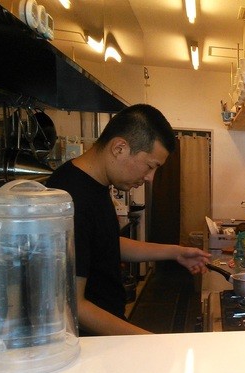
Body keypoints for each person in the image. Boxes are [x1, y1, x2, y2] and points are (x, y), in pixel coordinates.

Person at [46, 104, 212, 335]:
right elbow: (73, 306)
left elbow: (105, 244)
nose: (150, 178)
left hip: (108, 329)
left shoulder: (94, 184)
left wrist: (175, 252)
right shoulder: (72, 196)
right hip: (90, 341)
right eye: (150, 166)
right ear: (119, 148)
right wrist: (150, 341)